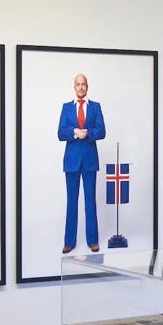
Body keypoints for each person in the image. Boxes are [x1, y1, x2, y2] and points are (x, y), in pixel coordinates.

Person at [57, 73, 105, 253]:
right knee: (72, 202)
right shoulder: (66, 107)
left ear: (87, 86)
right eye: (78, 84)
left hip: (90, 160)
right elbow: (60, 133)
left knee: (90, 201)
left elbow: (102, 131)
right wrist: (74, 132)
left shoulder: (95, 107)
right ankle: (69, 241)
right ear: (74, 87)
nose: (81, 87)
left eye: (83, 84)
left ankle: (93, 240)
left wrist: (89, 133)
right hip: (71, 161)